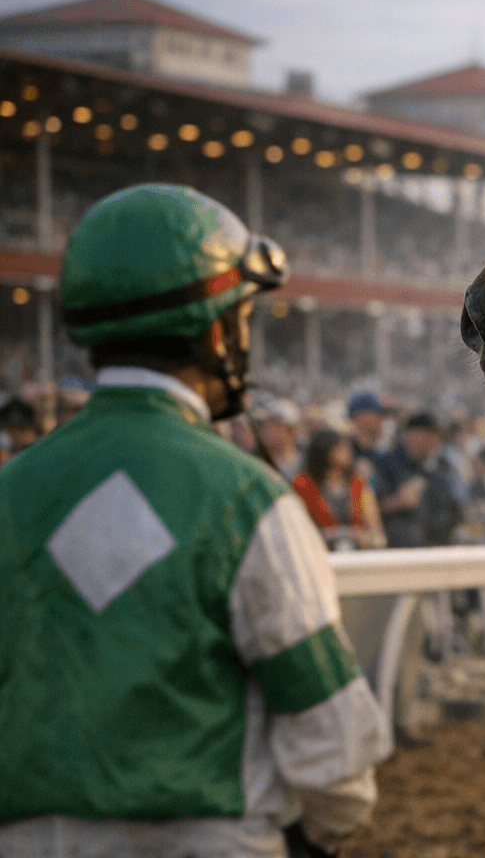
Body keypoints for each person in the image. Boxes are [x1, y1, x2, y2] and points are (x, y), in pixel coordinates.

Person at [0, 184, 389, 857]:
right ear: (218, 331)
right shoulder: (250, 498)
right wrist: (330, 827)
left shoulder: (10, 490)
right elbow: (331, 742)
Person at [374, 411, 462, 547]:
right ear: (411, 435)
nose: (434, 441)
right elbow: (363, 510)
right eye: (429, 435)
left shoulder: (437, 470)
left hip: (432, 552)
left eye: (437, 436)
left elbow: (451, 513)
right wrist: (396, 502)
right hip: (394, 554)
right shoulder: (383, 465)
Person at [294, 428, 388, 550]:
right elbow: (299, 532)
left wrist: (365, 537)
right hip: (319, 552)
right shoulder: (302, 485)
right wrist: (337, 534)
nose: (348, 452)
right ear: (324, 451)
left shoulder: (358, 483)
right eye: (341, 448)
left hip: (358, 553)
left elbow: (377, 533)